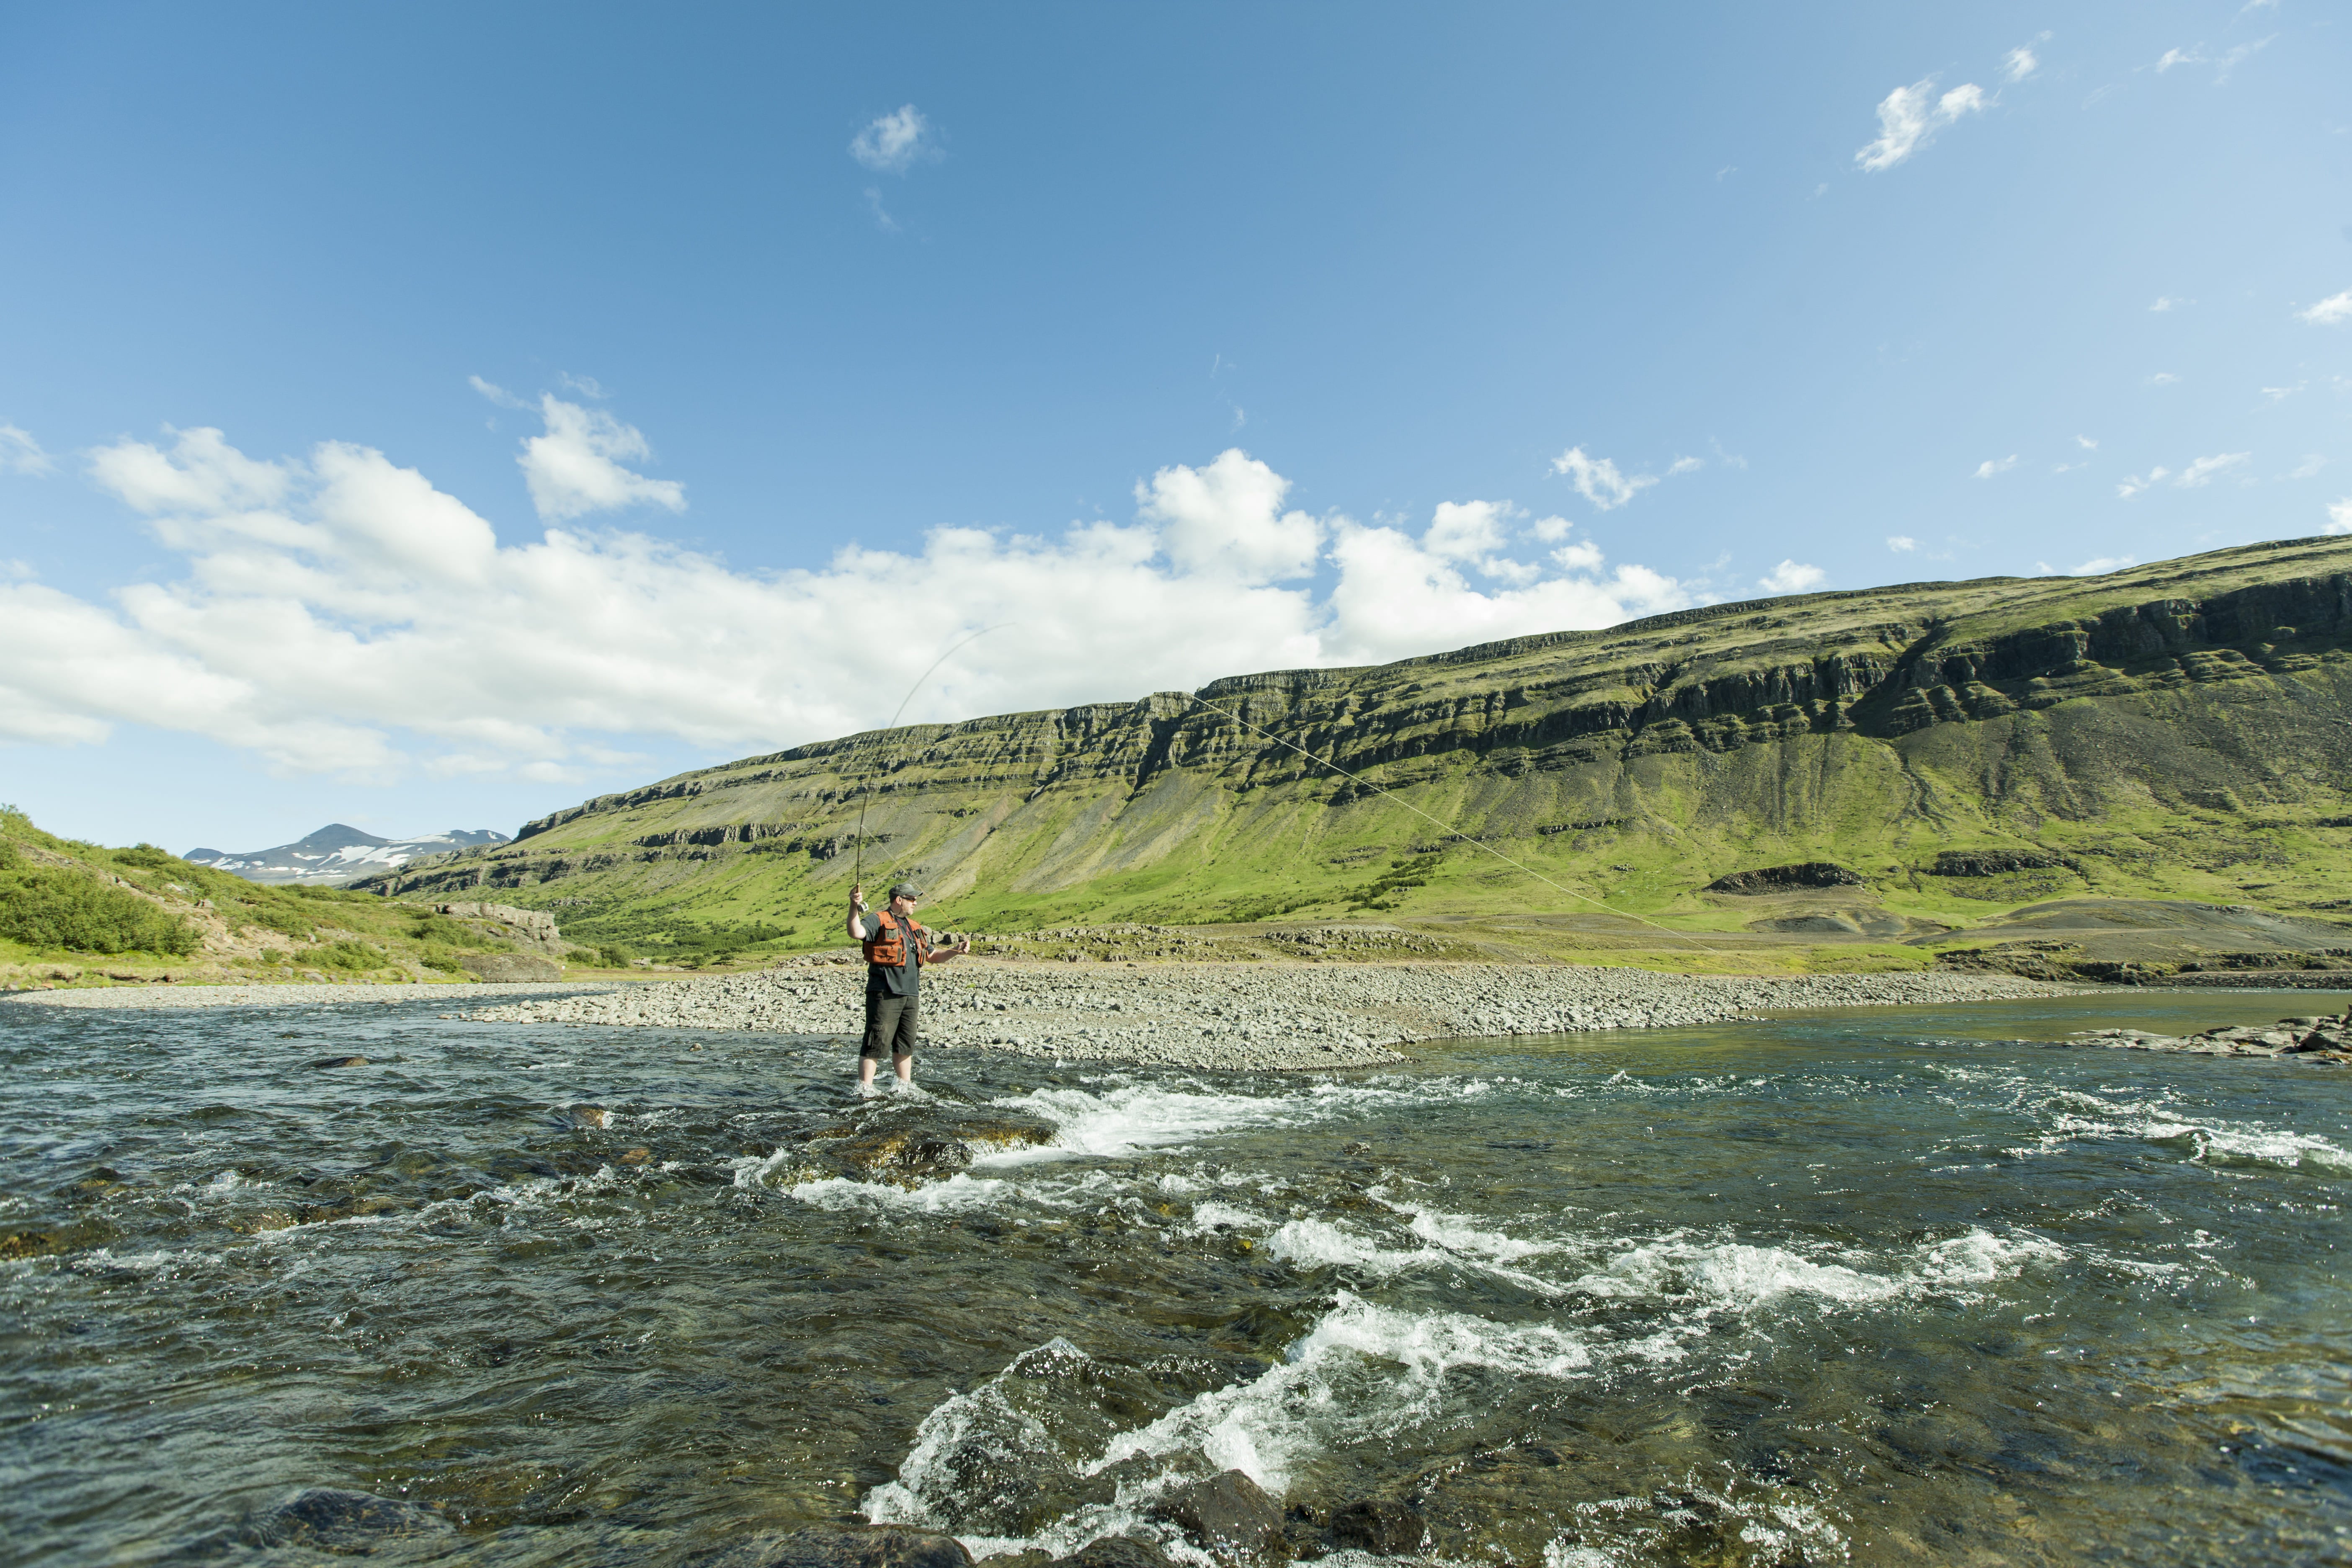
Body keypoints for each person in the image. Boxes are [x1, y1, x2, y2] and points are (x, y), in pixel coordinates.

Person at [845, 880, 971, 1088]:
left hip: (911, 995)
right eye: (912, 899)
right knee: (875, 1043)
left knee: (905, 1046)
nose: (915, 903)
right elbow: (856, 932)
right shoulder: (878, 920)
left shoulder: (915, 928)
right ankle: (865, 1090)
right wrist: (853, 905)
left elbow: (932, 956)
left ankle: (905, 1088)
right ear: (899, 900)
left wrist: (955, 950)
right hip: (884, 992)